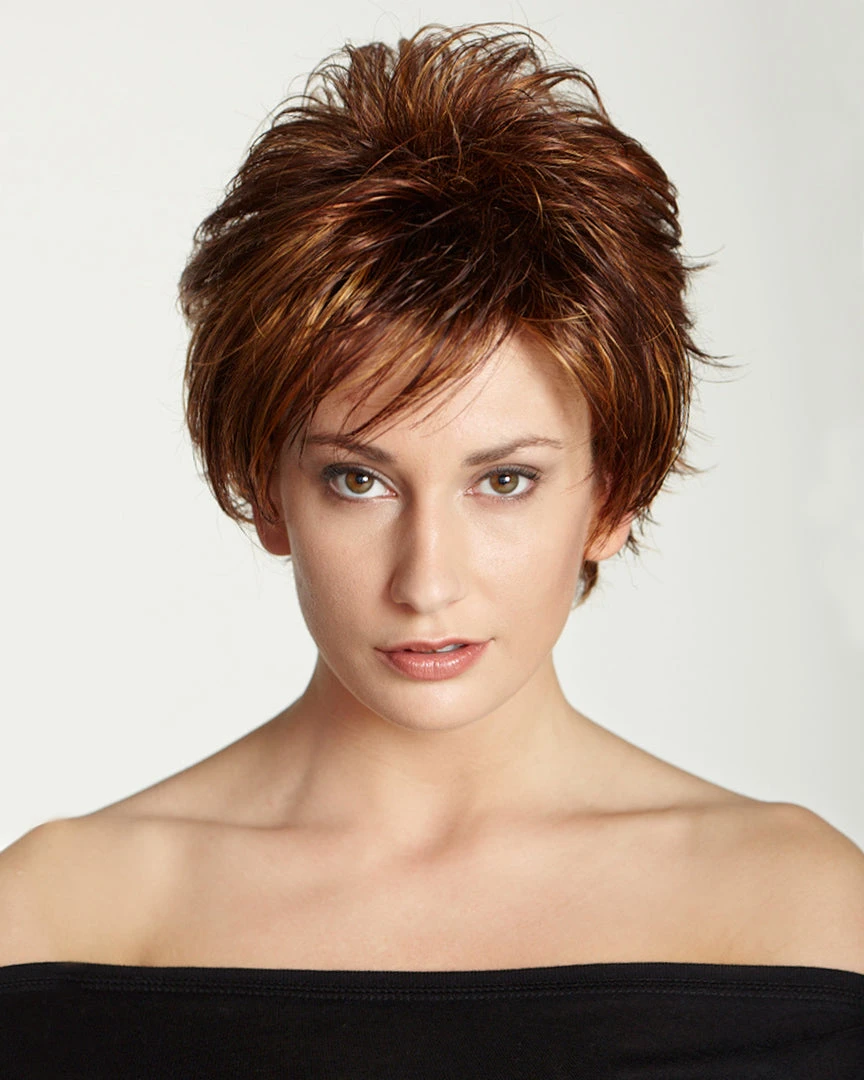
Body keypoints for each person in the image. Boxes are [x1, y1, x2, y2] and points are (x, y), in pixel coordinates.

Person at [1, 22, 862, 1078]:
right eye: (356, 480)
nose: (427, 581)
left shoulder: (802, 917)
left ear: (613, 494)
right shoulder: (56, 923)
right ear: (265, 491)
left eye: (505, 481)